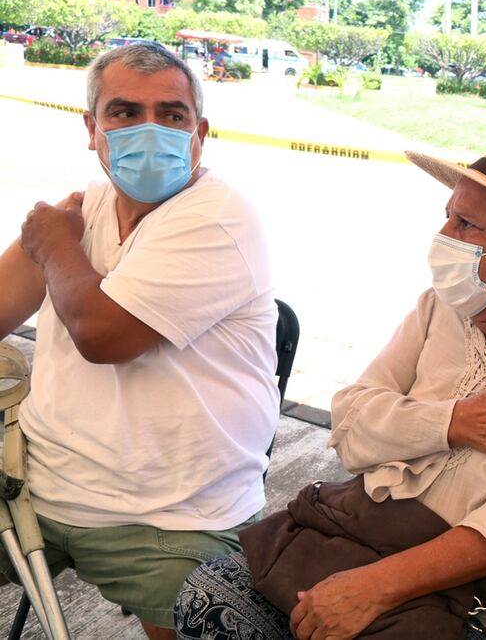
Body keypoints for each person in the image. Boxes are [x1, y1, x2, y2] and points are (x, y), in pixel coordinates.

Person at [174, 137, 486, 640]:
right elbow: (351, 423)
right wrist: (455, 423)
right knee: (207, 595)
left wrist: (373, 587)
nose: (444, 235)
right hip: (373, 536)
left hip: (475, 595)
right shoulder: (441, 309)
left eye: (467, 225)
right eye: (448, 216)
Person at [0, 42, 279, 639]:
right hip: (39, 480)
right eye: (124, 113)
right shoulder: (86, 209)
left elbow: (103, 335)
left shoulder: (219, 217)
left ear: (199, 132)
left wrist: (55, 246)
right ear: (92, 129)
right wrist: (58, 242)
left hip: (172, 516)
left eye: (171, 115)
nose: (149, 130)